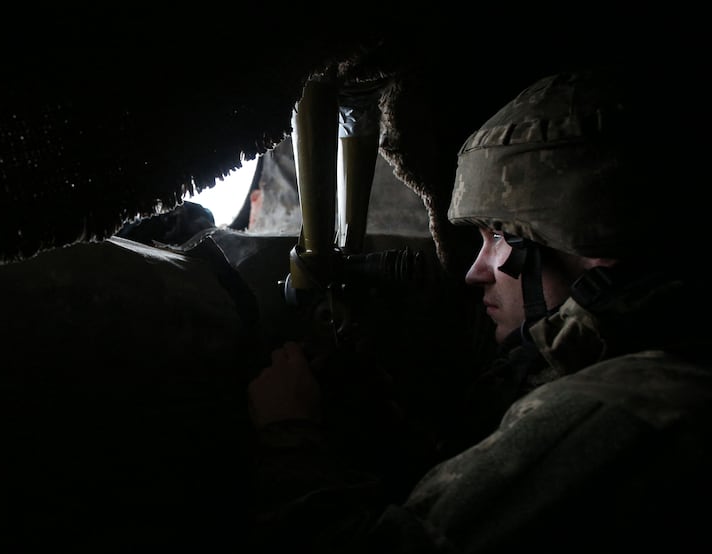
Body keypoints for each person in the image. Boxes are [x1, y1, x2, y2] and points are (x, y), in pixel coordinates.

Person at [246, 65, 712, 553]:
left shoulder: (612, 411)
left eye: (498, 237)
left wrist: (287, 430)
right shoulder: (644, 361)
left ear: (586, 245)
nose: (475, 271)